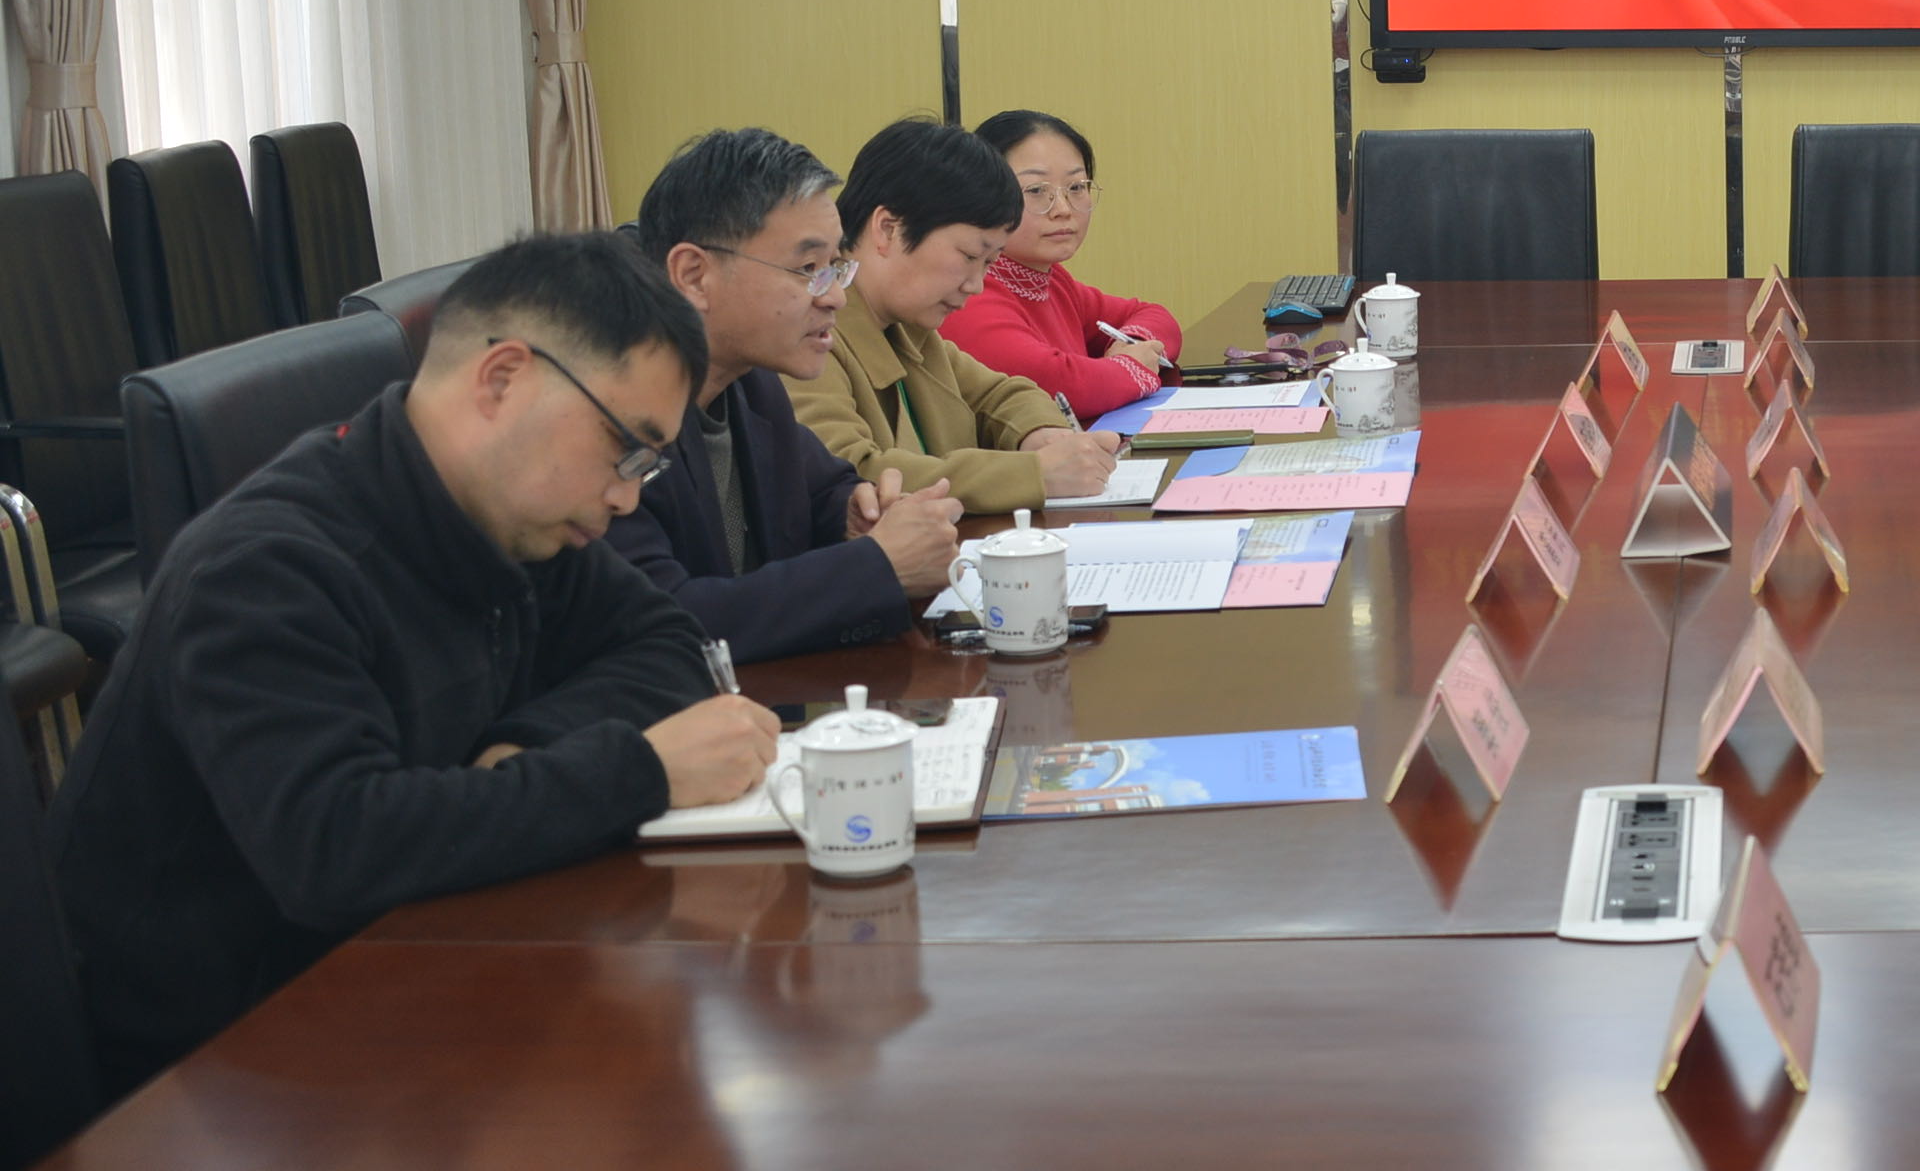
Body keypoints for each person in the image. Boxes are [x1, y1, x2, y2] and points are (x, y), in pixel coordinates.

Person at [47, 234, 781, 1095]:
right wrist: (638, 771)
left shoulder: (513, 512)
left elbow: (668, 644)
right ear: (502, 379)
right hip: (215, 1068)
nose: (625, 496)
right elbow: (337, 850)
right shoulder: (264, 570)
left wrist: (529, 747)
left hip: (411, 966)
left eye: (647, 467)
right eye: (625, 445)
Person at [613, 128, 964, 660]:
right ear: (694, 275)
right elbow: (661, 620)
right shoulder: (612, 414)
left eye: (835, 268)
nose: (836, 297)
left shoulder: (752, 382)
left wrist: (859, 511)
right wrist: (877, 566)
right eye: (807, 270)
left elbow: (824, 489)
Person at [787, 117, 1125, 513]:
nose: (976, 284)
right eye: (968, 256)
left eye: (989, 262)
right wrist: (1034, 474)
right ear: (888, 229)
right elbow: (850, 478)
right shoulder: (809, 333)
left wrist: (1042, 435)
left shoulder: (907, 327)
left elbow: (1001, 394)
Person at [942, 110, 1186, 418]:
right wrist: (1131, 366)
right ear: (982, 197)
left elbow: (1155, 315)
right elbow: (1058, 388)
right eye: (1036, 191)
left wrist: (1132, 344)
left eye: (1076, 188)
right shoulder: (967, 291)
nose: (1063, 209)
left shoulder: (1051, 279)